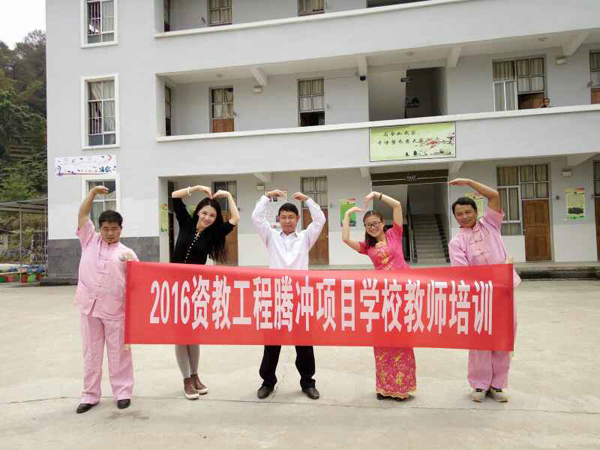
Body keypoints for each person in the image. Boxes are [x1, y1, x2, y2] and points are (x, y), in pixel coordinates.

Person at [448, 178, 521, 403]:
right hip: (478, 297)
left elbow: (494, 196)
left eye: (468, 212)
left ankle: (497, 385)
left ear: (476, 211)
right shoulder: (456, 242)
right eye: (459, 214)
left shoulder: (491, 224)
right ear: (455, 217)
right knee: (479, 340)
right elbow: (463, 273)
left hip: (504, 292)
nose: (464, 216)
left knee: (503, 336)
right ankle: (479, 385)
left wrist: (469, 182)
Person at [341, 192, 417, 401]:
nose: (372, 227)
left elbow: (397, 206)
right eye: (368, 225)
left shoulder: (395, 234)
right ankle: (384, 386)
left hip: (402, 295)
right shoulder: (368, 247)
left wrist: (377, 195)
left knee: (401, 340)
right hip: (381, 297)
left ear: (383, 223)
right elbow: (345, 239)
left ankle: (402, 387)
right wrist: (347, 215)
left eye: (375, 223)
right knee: (382, 341)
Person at [251, 189, 326, 400]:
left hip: (300, 297)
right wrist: (267, 196)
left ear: (297, 219)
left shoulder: (305, 237)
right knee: (271, 342)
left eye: (291, 217)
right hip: (276, 296)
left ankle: (308, 382)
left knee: (304, 343)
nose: (287, 221)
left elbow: (320, 220)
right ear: (278, 219)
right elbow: (256, 217)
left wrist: (308, 199)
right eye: (283, 217)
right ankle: (267, 382)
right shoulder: (270, 236)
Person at [171, 184, 240, 400]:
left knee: (193, 335)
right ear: (198, 212)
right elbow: (175, 197)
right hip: (175, 288)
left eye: (212, 215)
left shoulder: (213, 234)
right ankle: (186, 380)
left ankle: (195, 375)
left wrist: (227, 195)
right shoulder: (185, 222)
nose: (207, 218)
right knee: (181, 336)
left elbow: (235, 219)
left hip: (196, 290)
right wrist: (196, 188)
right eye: (204, 213)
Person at [75, 186, 139, 414]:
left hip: (116, 310)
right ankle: (90, 395)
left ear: (121, 229)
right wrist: (92, 194)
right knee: (91, 353)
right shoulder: (89, 241)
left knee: (119, 353)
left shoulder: (127, 253)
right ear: (99, 228)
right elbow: (82, 215)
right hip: (89, 307)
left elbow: (137, 285)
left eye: (114, 229)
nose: (110, 233)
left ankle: (123, 392)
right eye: (105, 228)